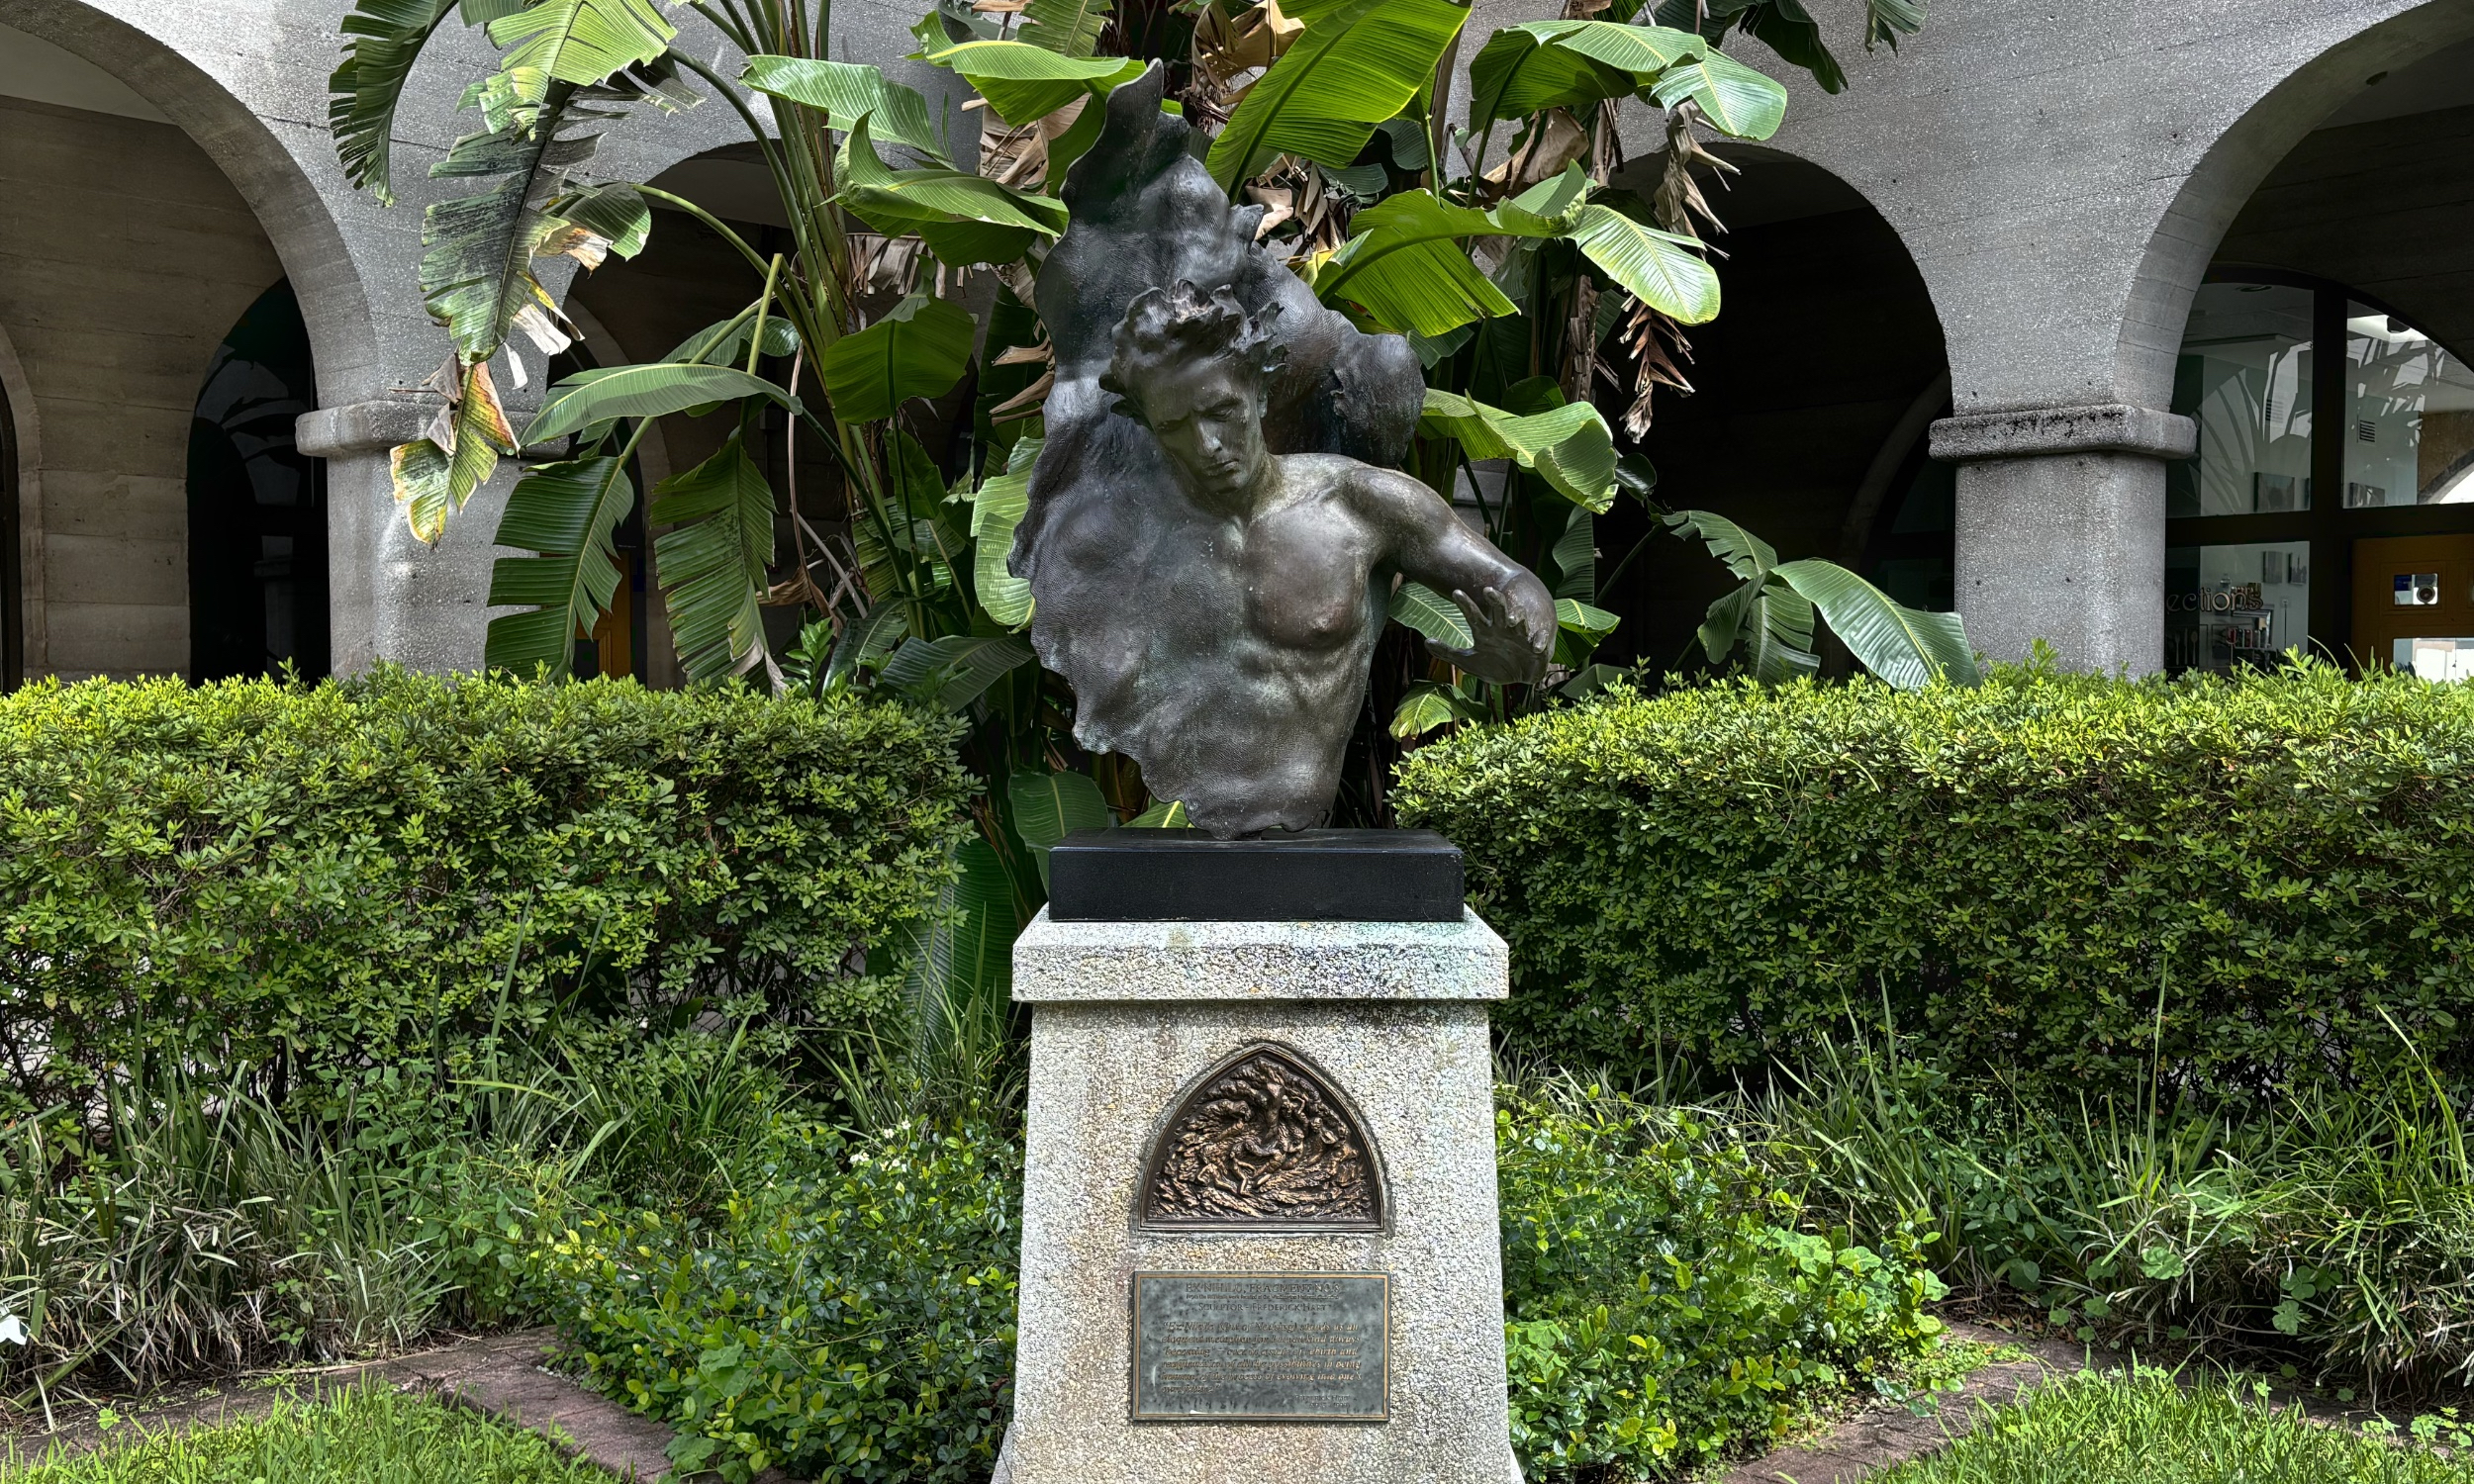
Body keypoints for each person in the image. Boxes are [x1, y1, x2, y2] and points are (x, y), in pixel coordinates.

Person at [1022, 280, 1555, 837]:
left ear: (1259, 395)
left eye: (1221, 411)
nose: (1207, 445)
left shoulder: (1357, 502)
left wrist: (1525, 646)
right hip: (1191, 813)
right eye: (1175, 427)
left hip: (1303, 822)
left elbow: (1512, 580)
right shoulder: (1119, 538)